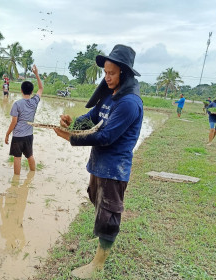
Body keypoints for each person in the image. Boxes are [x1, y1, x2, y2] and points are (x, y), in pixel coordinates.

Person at [54, 45, 143, 279]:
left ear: (124, 73)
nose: (107, 77)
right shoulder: (108, 95)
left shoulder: (129, 103)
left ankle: (98, 265)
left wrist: (71, 137)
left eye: (112, 73)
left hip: (114, 168)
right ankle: (101, 247)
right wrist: (73, 123)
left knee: (109, 215)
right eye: (105, 73)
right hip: (99, 164)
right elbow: (92, 117)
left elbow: (106, 136)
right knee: (98, 202)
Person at [5, 65, 43, 175]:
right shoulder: (34, 101)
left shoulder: (17, 104)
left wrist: (7, 134)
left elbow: (14, 122)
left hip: (18, 136)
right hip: (29, 135)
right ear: (31, 92)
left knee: (17, 157)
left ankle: (16, 180)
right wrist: (36, 74)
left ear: (21, 90)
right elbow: (40, 88)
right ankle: (32, 174)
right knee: (30, 155)